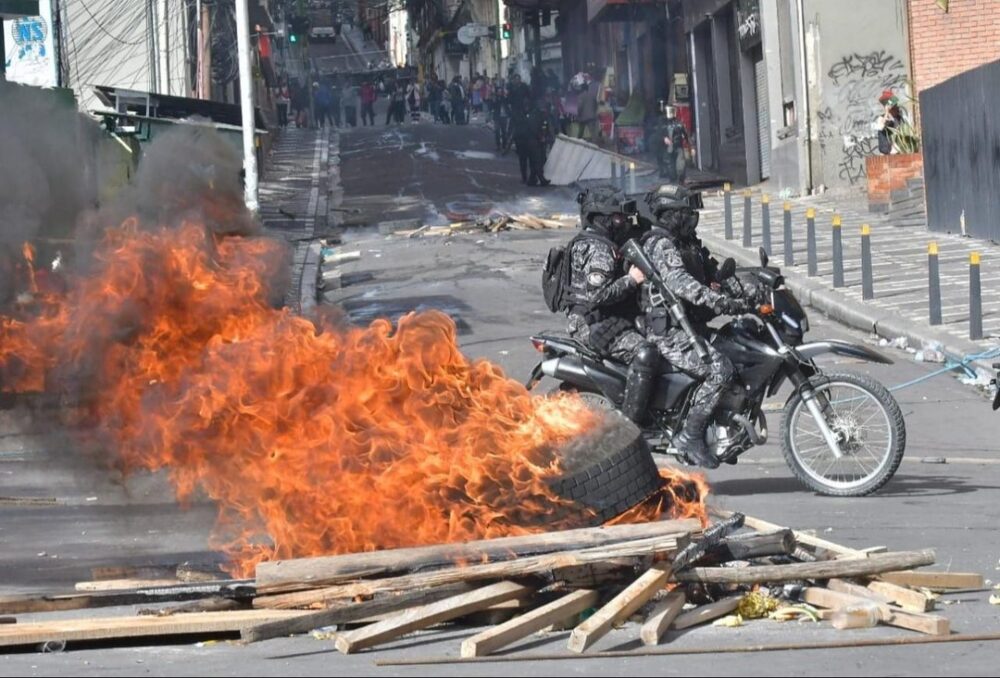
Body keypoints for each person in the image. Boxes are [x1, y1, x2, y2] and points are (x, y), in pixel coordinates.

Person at [638, 185, 749, 469]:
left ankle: (724, 426)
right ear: (670, 215)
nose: (692, 218)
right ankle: (690, 435)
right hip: (669, 331)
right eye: (686, 213)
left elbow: (715, 273)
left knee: (739, 348)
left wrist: (748, 292)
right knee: (719, 369)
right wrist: (720, 303)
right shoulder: (661, 244)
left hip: (691, 325)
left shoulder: (688, 243)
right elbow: (681, 284)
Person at [562, 186, 653, 422]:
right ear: (600, 218)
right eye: (617, 217)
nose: (622, 222)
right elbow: (597, 295)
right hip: (591, 324)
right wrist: (631, 280)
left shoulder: (594, 241)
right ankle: (632, 422)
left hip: (601, 317)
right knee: (645, 353)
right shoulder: (599, 249)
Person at [513, 103, 551, 187]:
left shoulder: (541, 116)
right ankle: (541, 179)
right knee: (537, 160)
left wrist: (547, 137)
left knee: (539, 160)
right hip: (532, 142)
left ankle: (532, 179)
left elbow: (546, 127)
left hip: (536, 142)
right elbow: (534, 129)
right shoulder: (535, 116)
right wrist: (541, 137)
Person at [656, 104, 689, 182]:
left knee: (680, 166)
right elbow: (658, 135)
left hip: (678, 147)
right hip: (668, 148)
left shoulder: (679, 124)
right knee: (671, 166)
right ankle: (673, 180)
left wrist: (687, 142)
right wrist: (664, 139)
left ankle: (680, 180)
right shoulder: (663, 124)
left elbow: (685, 135)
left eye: (671, 111)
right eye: (669, 111)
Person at [876, 90, 905, 155]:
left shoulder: (898, 119)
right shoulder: (881, 118)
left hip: (899, 151)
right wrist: (887, 112)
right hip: (888, 153)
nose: (897, 109)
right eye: (895, 107)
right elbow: (881, 127)